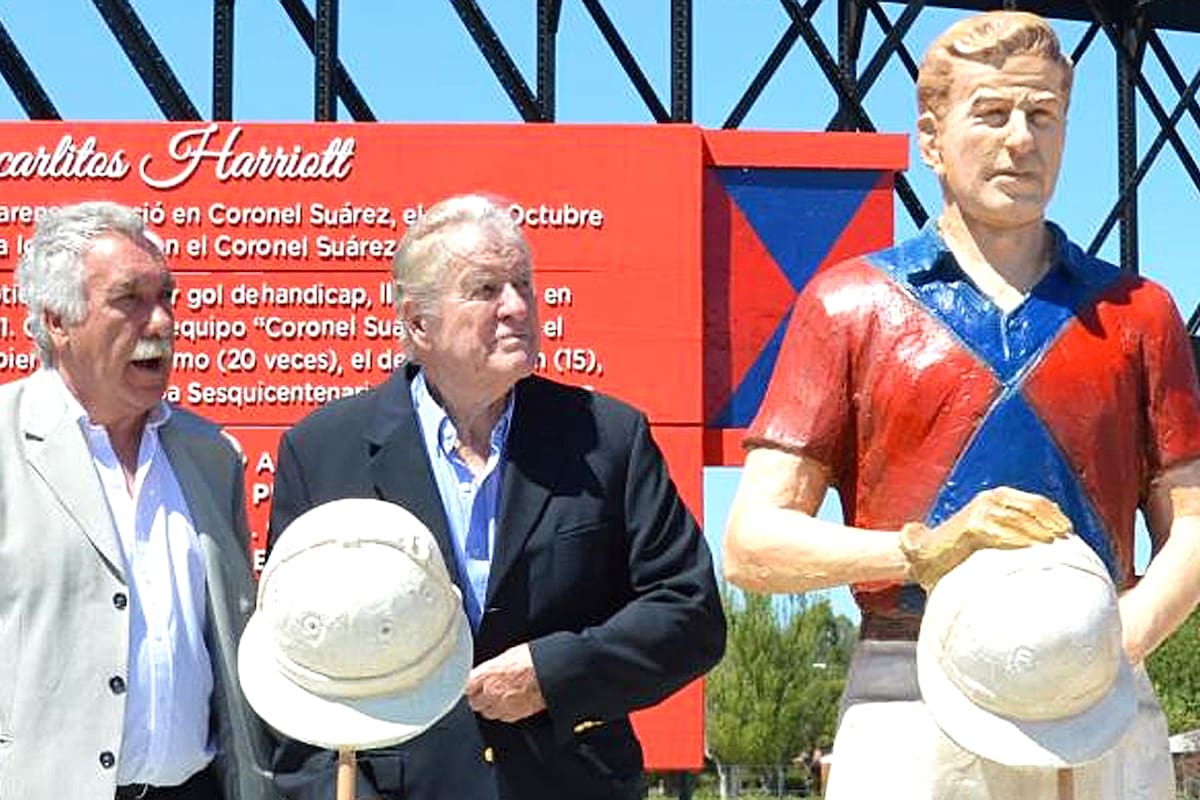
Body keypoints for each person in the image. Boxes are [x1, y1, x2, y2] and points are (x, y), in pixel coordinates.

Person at [723, 11, 1200, 798]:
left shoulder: (1139, 313)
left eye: (1043, 114)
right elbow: (752, 543)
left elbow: (1192, 523)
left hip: (1102, 699)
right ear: (931, 137)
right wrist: (923, 549)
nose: (1021, 139)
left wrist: (1117, 639)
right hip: (907, 692)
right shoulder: (848, 306)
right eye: (991, 112)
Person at [267, 193, 726, 800]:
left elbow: (690, 614)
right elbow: (292, 663)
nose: (517, 307)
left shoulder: (608, 438)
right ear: (418, 323)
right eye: (486, 290)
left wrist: (555, 673)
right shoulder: (324, 452)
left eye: (523, 285)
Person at [0, 202, 277, 799]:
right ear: (58, 321)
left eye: (166, 298)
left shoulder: (210, 456)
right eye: (129, 299)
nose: (161, 322)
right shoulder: (7, 442)